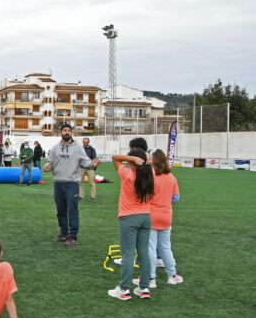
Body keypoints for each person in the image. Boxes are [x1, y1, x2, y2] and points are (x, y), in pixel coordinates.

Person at [133, 149, 183, 289]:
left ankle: (150, 278)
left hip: (152, 215)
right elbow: (176, 198)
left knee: (150, 249)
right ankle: (172, 276)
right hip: (166, 216)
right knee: (166, 248)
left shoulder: (151, 176)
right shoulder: (171, 177)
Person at [108, 149, 154, 300]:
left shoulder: (128, 175)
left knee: (127, 254)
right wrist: (139, 160)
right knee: (143, 253)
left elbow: (115, 157)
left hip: (129, 218)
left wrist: (133, 157)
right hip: (146, 217)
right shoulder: (150, 175)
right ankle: (144, 287)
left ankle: (124, 289)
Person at [43, 124, 100, 246]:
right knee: (60, 210)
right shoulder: (55, 148)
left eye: (69, 130)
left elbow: (85, 161)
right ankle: (63, 234)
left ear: (71, 133)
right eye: (64, 130)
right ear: (61, 133)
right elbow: (50, 163)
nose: (67, 132)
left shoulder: (78, 147)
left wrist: (93, 165)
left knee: (73, 210)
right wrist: (47, 167)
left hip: (72, 183)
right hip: (58, 183)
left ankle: (73, 236)